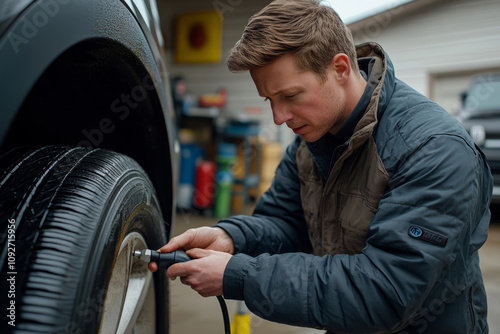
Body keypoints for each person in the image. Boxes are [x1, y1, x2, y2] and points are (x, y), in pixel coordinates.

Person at [150, 0, 492, 332]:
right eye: (270, 100)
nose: (278, 117)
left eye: (291, 96)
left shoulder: (432, 148)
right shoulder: (311, 138)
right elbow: (286, 224)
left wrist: (240, 276)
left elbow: (385, 291)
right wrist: (232, 239)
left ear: (341, 68)